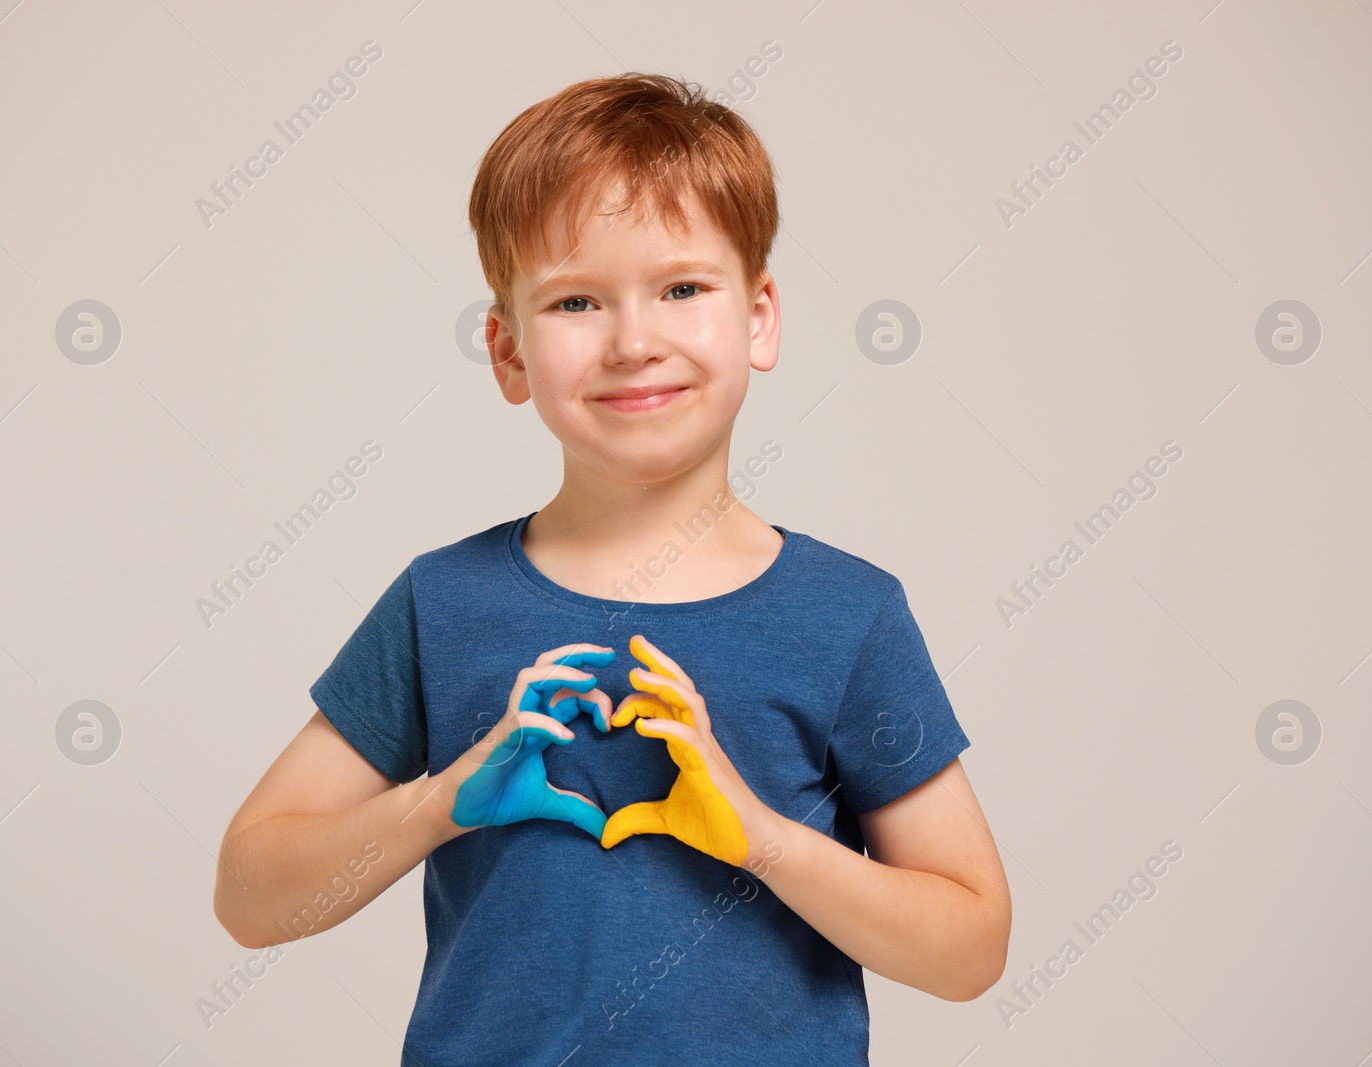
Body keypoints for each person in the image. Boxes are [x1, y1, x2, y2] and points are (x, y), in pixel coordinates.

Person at [213, 71, 1010, 1065]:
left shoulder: (847, 615)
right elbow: (249, 896)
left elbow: (970, 948)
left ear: (758, 317)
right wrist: (440, 800)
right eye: (576, 300)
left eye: (681, 288)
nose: (635, 342)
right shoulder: (441, 602)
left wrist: (759, 836)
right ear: (507, 352)